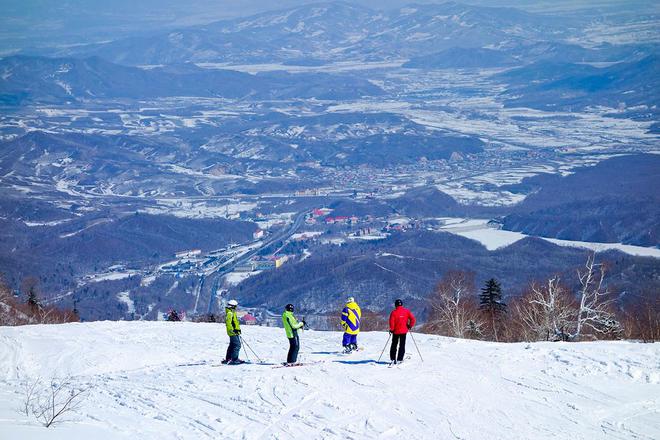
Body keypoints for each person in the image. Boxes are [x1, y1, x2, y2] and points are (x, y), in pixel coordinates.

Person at [389, 299, 416, 364]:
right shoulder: (406, 311)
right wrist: (409, 326)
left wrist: (392, 329)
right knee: (402, 345)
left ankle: (393, 358)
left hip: (395, 331)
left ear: (395, 305)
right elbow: (413, 319)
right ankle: (400, 359)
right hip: (404, 331)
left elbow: (391, 322)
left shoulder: (393, 312)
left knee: (394, 345)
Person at [222, 299, 244, 365]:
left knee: (232, 345)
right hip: (232, 332)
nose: (236, 308)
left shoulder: (232, 312)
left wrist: (237, 329)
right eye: (235, 306)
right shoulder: (230, 313)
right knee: (237, 345)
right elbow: (228, 323)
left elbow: (234, 322)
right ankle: (234, 359)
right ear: (233, 306)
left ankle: (228, 358)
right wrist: (233, 330)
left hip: (234, 331)